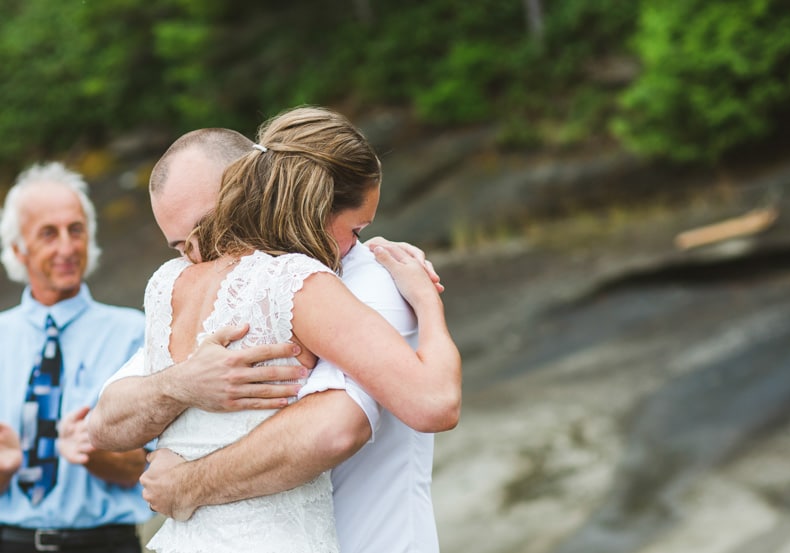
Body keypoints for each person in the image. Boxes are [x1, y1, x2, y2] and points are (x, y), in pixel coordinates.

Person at [89, 107, 461, 553]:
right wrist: (183, 383)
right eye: (180, 246)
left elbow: (334, 428)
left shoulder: (362, 281)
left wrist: (187, 484)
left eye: (203, 230)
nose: (199, 253)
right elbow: (108, 419)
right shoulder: (194, 284)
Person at [0, 162, 152, 553]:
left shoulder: (134, 334)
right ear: (18, 247)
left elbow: (149, 466)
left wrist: (97, 455)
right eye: (48, 234)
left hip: (105, 544)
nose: (67, 247)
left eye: (76, 230)